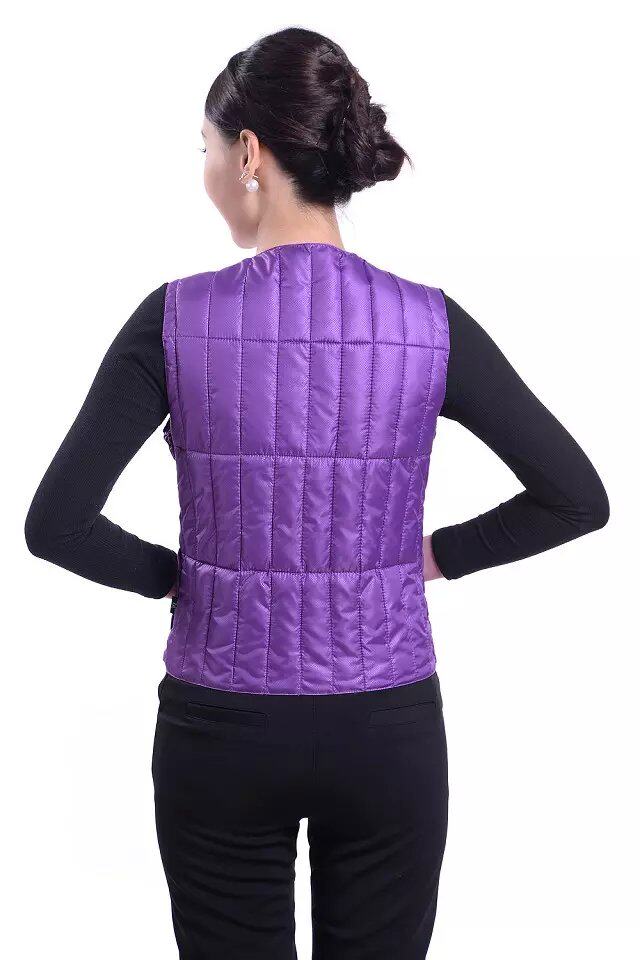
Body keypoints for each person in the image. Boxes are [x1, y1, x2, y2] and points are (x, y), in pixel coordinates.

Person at [24, 26, 609, 960]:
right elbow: (576, 496)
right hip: (386, 728)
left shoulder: (173, 319)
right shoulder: (430, 323)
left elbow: (57, 524)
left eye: (206, 148)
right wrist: (432, 558)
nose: (206, 171)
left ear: (249, 153)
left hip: (222, 728)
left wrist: (179, 578)